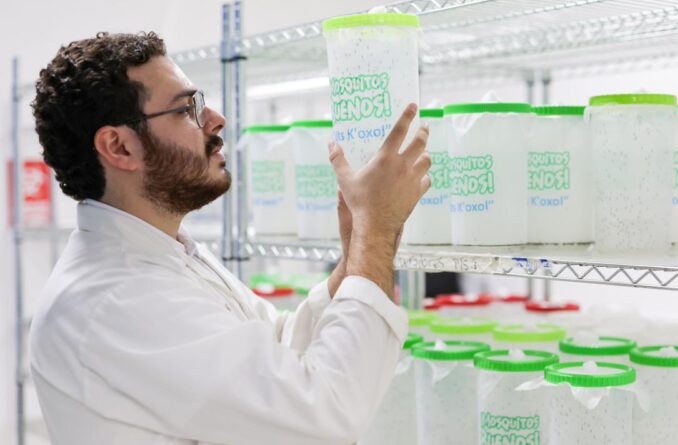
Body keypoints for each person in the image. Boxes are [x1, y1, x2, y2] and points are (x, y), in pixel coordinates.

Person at [28, 32, 431, 445]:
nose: (216, 119)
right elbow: (324, 413)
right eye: (186, 109)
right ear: (119, 147)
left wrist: (360, 246)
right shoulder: (117, 301)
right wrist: (375, 231)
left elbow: (278, 350)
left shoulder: (166, 254)